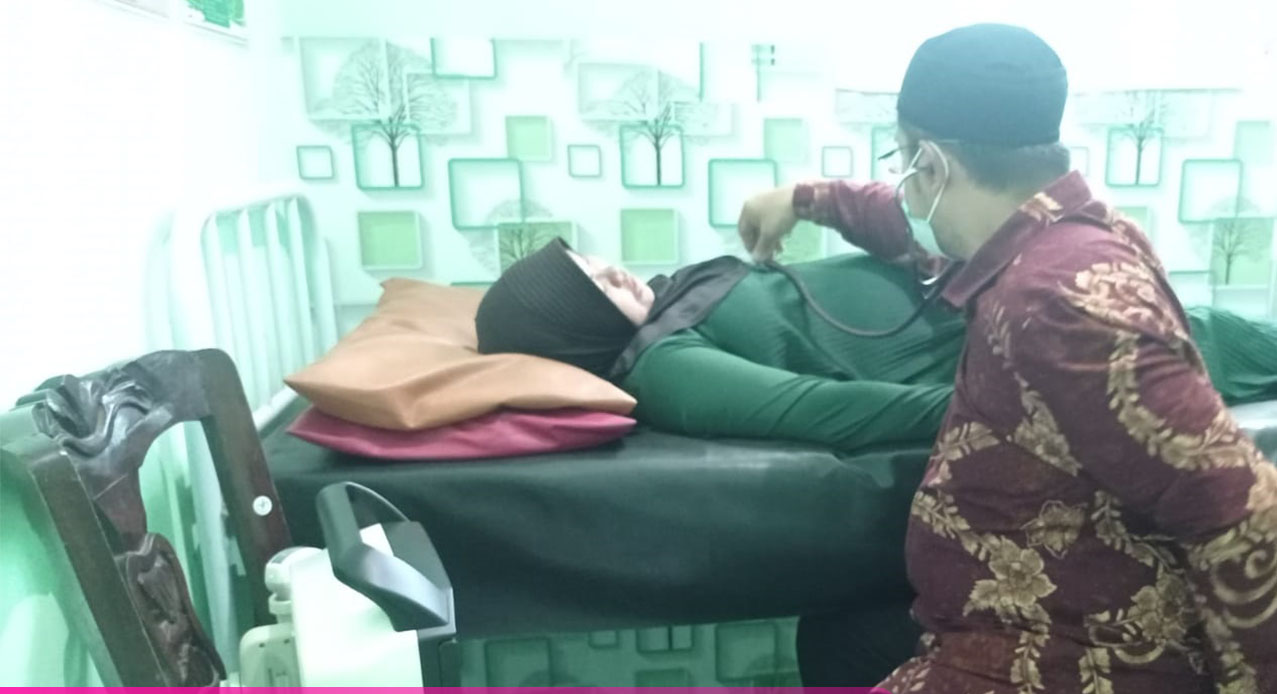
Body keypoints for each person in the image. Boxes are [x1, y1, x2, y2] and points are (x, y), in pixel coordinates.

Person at [730, 22, 1277, 694]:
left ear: (932, 162)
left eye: (905, 164)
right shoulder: (1048, 234)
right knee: (838, 638)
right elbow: (913, 228)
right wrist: (808, 200)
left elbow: (1238, 509)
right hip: (1014, 622)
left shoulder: (1061, 303)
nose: (904, 187)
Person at [475, 232, 1277, 457]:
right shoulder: (666, 366)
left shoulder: (678, 294)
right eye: (590, 284)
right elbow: (830, 410)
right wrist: (1026, 403)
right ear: (573, 325)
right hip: (1052, 352)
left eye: (593, 258)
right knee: (1223, 335)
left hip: (1028, 297)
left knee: (1227, 330)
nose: (612, 268)